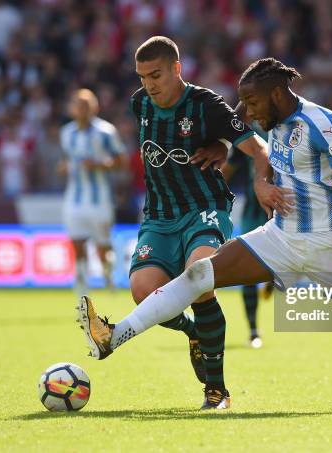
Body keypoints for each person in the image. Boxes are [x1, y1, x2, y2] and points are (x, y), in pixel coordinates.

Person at [77, 37, 277, 410]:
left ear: (176, 69)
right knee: (142, 290)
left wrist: (257, 179)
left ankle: (216, 392)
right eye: (142, 77)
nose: (148, 85)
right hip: (159, 215)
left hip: (204, 208)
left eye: (156, 75)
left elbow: (258, 148)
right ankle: (194, 334)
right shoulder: (140, 104)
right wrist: (221, 144)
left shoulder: (206, 104)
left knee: (199, 278)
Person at [59, 89, 127, 296]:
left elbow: (121, 161)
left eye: (87, 104)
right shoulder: (66, 133)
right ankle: (81, 283)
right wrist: (62, 168)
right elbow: (66, 161)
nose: (82, 109)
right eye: (78, 104)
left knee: (102, 245)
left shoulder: (106, 132)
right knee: (77, 242)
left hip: (100, 199)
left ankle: (107, 274)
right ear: (72, 108)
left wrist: (99, 165)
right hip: (74, 198)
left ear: (95, 107)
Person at [221, 124, 273, 349]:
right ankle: (253, 331)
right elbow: (229, 168)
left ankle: (273, 277)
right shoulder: (248, 137)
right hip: (254, 211)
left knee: (278, 265)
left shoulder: (291, 129)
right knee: (247, 268)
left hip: (285, 210)